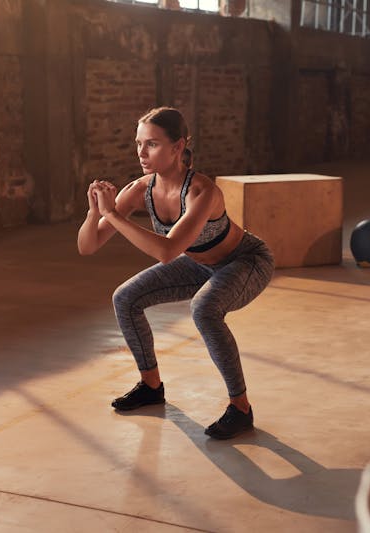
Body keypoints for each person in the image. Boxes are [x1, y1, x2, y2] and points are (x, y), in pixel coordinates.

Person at [77, 106, 274, 439]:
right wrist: (95, 212)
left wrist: (114, 215)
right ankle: (151, 386)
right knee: (126, 297)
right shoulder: (140, 188)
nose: (141, 152)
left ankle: (241, 408)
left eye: (151, 144)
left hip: (246, 261)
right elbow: (88, 246)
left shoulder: (202, 191)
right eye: (138, 143)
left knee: (205, 309)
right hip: (199, 263)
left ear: (178, 146)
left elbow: (167, 251)